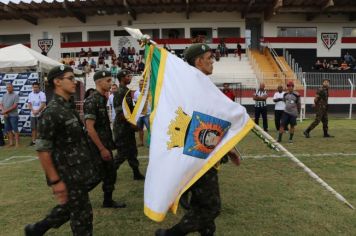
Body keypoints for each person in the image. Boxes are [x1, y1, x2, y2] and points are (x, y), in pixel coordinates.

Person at [155, 43, 240, 236]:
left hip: (201, 150)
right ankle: (168, 234)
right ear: (198, 61)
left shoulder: (198, 84)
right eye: (209, 58)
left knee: (200, 205)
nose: (212, 62)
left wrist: (229, 148)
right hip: (197, 154)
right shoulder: (193, 86)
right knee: (211, 207)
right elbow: (203, 122)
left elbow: (214, 119)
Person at [24, 65, 101, 236]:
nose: (75, 82)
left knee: (71, 208)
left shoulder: (68, 107)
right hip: (67, 174)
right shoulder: (52, 112)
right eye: (71, 78)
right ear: (57, 82)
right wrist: (55, 181)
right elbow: (43, 150)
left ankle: (38, 229)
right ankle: (38, 228)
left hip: (78, 171)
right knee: (82, 217)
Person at [84, 70, 126, 209]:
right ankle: (75, 196)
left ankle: (107, 201)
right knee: (97, 175)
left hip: (105, 143)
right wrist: (102, 149)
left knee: (110, 173)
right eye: (108, 81)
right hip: (97, 145)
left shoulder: (103, 98)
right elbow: (90, 127)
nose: (110, 83)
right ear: (99, 82)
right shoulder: (92, 100)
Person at [113, 69, 145, 180]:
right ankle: (110, 173)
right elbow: (120, 112)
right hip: (122, 127)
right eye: (128, 76)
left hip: (128, 127)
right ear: (122, 78)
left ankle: (136, 173)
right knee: (122, 153)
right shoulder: (119, 92)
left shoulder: (126, 91)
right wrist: (131, 124)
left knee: (132, 151)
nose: (130, 77)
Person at [0, 83, 20, 147]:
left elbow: (14, 106)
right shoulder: (4, 95)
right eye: (7, 87)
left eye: (10, 87)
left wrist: (5, 111)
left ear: (12, 87)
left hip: (13, 115)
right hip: (6, 115)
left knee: (15, 129)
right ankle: (11, 143)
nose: (8, 88)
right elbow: (1, 104)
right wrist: (4, 112)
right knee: (8, 129)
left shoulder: (15, 95)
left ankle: (17, 143)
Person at [133, 79, 151, 147]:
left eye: (143, 84)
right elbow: (135, 102)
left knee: (149, 129)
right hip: (140, 114)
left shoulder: (148, 92)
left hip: (147, 113)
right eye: (140, 84)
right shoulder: (136, 93)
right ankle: (141, 142)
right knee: (140, 129)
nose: (141, 85)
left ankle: (150, 142)